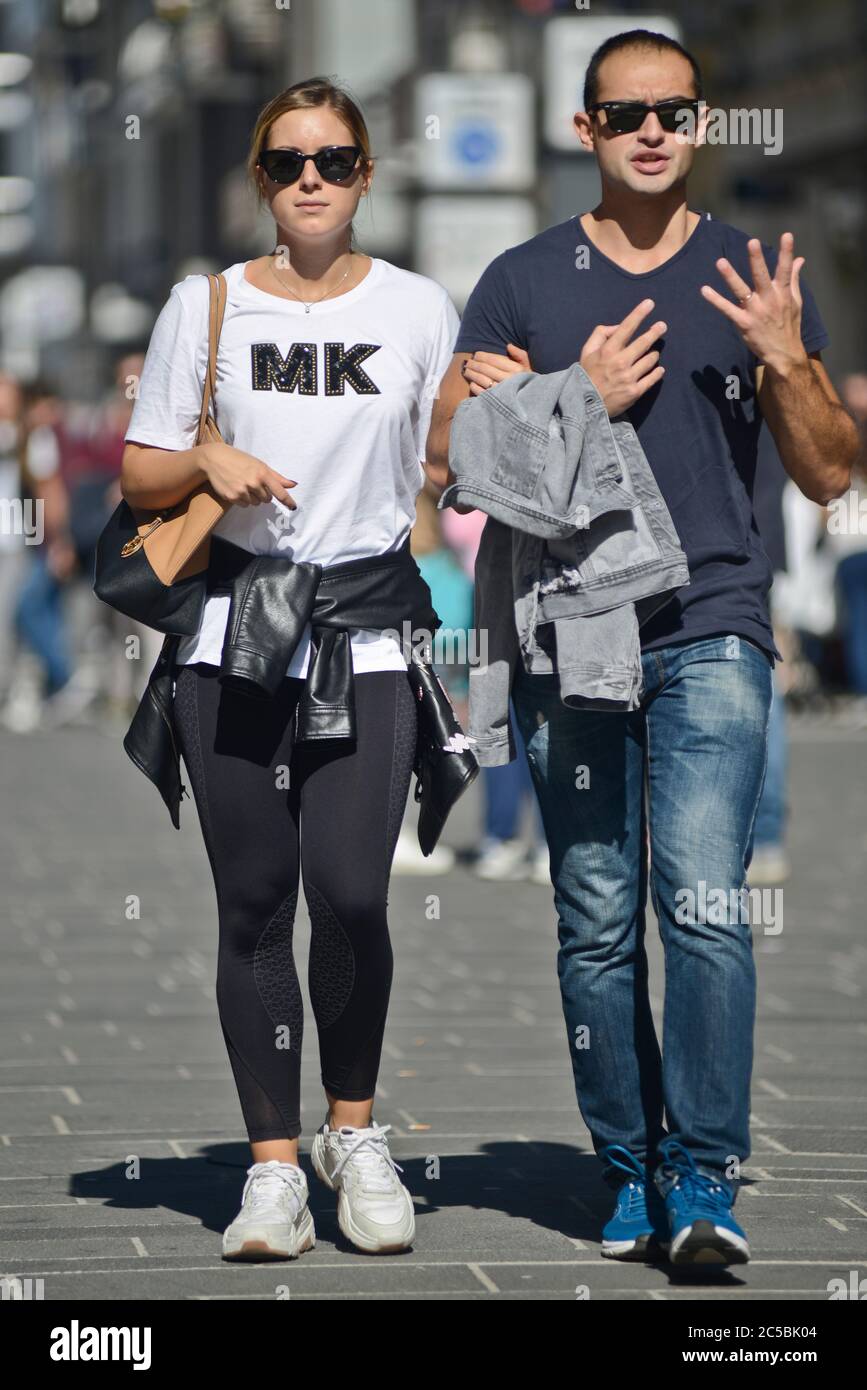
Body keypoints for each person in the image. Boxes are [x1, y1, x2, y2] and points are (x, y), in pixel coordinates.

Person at [426, 29, 857, 1266]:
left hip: (716, 624)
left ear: (705, 124)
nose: (652, 131)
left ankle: (706, 1175)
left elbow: (829, 471)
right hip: (574, 635)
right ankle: (631, 1165)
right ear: (587, 132)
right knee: (597, 914)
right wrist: (576, 392)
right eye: (626, 115)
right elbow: (456, 461)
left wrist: (785, 360)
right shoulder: (522, 280)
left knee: (706, 906)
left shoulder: (756, 270)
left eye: (673, 111)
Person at [121, 77, 460, 1259]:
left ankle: (353, 1134)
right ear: (259, 179)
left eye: (333, 158)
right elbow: (142, 476)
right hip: (237, 639)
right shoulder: (203, 306)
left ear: (366, 174)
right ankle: (272, 1168)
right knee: (255, 902)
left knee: (356, 895)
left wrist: (516, 414)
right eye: (286, 161)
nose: (310, 178)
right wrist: (211, 458)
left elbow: (450, 460)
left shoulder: (422, 308)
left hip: (368, 635)